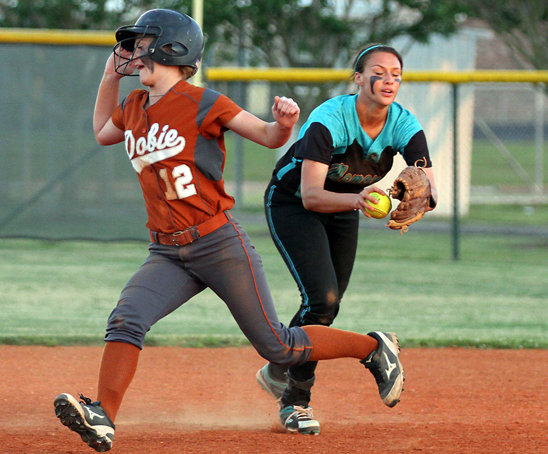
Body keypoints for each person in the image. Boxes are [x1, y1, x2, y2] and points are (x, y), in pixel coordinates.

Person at [52, 10, 404, 452]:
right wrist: (108, 75)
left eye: (143, 44)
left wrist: (285, 124)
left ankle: (372, 347)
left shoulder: (204, 102)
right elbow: (102, 132)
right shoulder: (135, 107)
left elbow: (267, 136)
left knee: (277, 346)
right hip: (167, 252)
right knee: (126, 319)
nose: (133, 53)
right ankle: (103, 416)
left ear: (171, 49)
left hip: (218, 243)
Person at [256, 43, 437, 435]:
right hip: (293, 204)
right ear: (358, 78)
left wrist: (419, 199)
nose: (389, 80)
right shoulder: (331, 119)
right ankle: (295, 401)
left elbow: (429, 187)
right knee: (323, 298)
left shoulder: (404, 125)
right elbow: (311, 195)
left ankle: (277, 369)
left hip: (343, 210)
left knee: (326, 308)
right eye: (379, 71)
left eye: (396, 74)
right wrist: (358, 199)